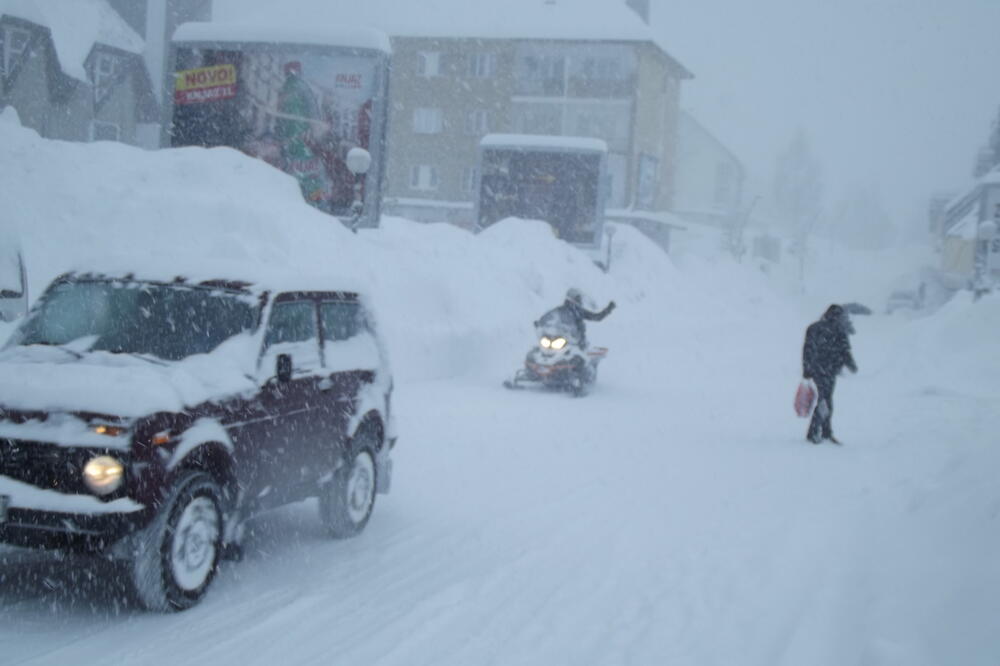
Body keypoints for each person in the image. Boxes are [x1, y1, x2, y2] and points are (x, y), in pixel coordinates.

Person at [802, 304, 858, 444]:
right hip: (828, 371)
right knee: (825, 401)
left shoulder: (814, 328)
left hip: (817, 370)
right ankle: (817, 432)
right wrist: (851, 365)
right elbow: (845, 351)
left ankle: (822, 432)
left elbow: (807, 350)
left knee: (825, 400)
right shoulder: (839, 330)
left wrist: (807, 370)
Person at [540, 288, 615, 348]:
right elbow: (549, 315)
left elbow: (596, 317)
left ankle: (584, 366)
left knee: (580, 357)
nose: (580, 300)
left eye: (579, 298)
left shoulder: (579, 312)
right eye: (578, 298)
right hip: (562, 337)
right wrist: (540, 322)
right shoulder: (560, 310)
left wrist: (608, 309)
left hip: (577, 340)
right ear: (571, 298)